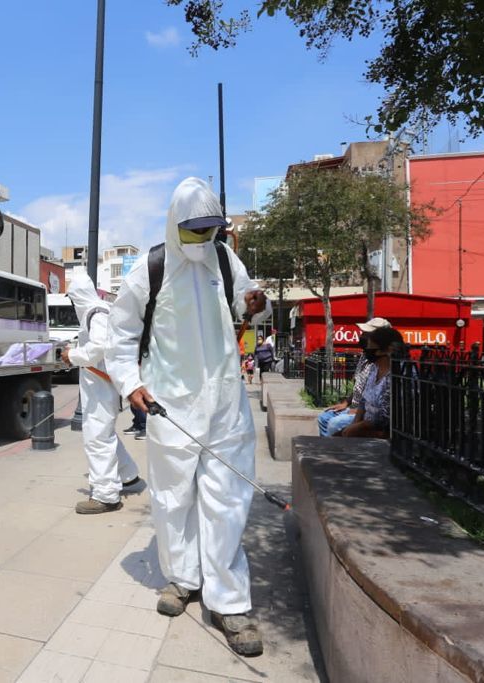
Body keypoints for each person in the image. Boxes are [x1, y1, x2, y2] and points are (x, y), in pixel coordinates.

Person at [106, 177, 271, 657]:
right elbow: (120, 334)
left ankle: (229, 602)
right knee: (172, 499)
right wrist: (130, 383)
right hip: (170, 404)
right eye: (195, 230)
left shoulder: (225, 258)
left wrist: (257, 304)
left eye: (210, 229)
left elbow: (249, 301)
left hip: (224, 404)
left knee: (227, 502)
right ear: (175, 224)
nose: (203, 238)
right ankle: (182, 578)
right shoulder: (150, 269)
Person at [62, 271, 141, 514]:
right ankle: (127, 475)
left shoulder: (94, 313)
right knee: (104, 434)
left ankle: (106, 496)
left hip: (101, 388)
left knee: (97, 439)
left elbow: (99, 346)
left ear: (77, 297)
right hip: (103, 386)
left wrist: (72, 355)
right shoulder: (101, 310)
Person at [317, 317, 392, 437]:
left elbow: (383, 415)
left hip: (370, 420)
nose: (363, 337)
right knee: (323, 418)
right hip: (359, 411)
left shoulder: (390, 369)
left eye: (368, 334)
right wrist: (346, 403)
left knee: (334, 424)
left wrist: (356, 420)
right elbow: (361, 391)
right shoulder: (369, 361)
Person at [337, 325, 404, 438]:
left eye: (371, 349)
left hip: (383, 434)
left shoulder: (399, 373)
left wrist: (357, 428)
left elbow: (385, 416)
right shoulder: (374, 368)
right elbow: (363, 400)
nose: (367, 352)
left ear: (388, 350)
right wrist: (354, 424)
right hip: (363, 426)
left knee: (335, 425)